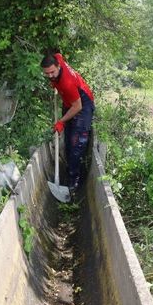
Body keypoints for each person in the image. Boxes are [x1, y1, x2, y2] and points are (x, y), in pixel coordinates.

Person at [41, 51, 94, 198]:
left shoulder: (67, 82)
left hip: (83, 104)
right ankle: (69, 167)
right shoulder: (57, 60)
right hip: (69, 100)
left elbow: (77, 107)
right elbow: (58, 54)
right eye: (47, 74)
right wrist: (54, 81)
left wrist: (61, 121)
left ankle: (73, 183)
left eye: (52, 72)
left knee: (77, 143)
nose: (50, 76)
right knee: (69, 138)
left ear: (58, 67)